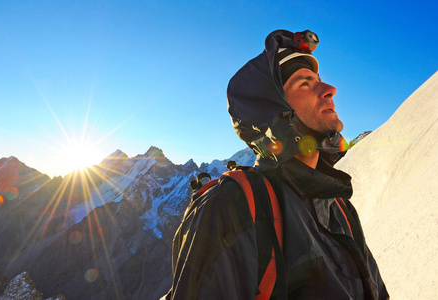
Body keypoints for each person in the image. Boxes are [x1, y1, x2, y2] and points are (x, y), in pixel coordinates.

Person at [162, 29, 389, 299]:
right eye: (304, 83)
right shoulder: (232, 206)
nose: (330, 90)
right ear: (275, 112)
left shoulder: (340, 205)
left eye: (319, 80)